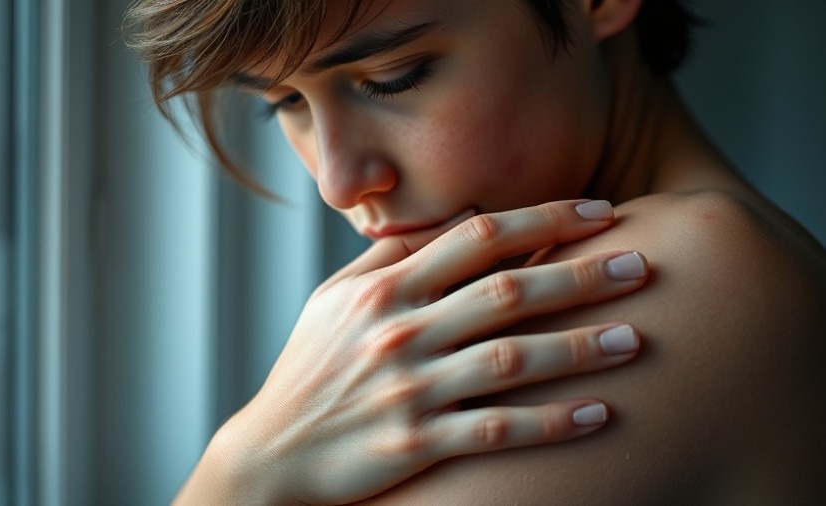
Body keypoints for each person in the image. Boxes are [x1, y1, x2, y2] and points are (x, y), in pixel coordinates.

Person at [125, 0, 826, 504]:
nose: (337, 183)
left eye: (393, 76)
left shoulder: (698, 274)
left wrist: (244, 471)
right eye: (283, 104)